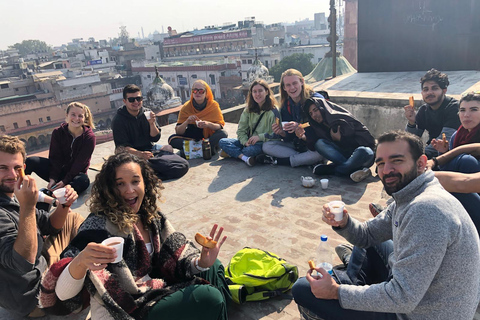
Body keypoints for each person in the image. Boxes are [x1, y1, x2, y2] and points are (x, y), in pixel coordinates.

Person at [291, 131, 480, 320]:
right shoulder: (411, 192)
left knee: (302, 289)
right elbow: (367, 234)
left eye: (396, 160)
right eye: (380, 163)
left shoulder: (426, 209)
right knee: (370, 244)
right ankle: (355, 282)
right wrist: (344, 223)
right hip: (420, 293)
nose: (386, 170)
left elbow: (402, 297)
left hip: (418, 313)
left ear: (421, 163)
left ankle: (351, 285)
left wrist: (336, 292)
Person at [38, 152, 231, 319]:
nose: (129, 190)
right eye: (120, 184)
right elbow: (63, 295)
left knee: (213, 267)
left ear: (145, 183)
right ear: (109, 189)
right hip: (126, 309)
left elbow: (175, 257)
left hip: (156, 288)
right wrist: (80, 262)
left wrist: (201, 262)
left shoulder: (153, 217)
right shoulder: (97, 226)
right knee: (209, 297)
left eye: (135, 181)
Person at [0, 135, 82, 318]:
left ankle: (72, 262)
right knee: (88, 276)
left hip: (40, 265)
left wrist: (64, 204)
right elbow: (22, 263)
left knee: (73, 218)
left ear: (24, 169)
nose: (12, 175)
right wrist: (28, 206)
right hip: (32, 297)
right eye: (3, 168)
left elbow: (51, 226)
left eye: (17, 168)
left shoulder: (12, 197)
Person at [112, 84, 189, 180]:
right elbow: (121, 148)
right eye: (131, 100)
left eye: (138, 98)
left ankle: (148, 174)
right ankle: (148, 173)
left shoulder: (146, 112)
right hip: (132, 155)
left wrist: (152, 124)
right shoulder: (119, 120)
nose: (136, 102)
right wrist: (140, 154)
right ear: (125, 101)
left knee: (172, 152)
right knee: (178, 167)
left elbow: (155, 138)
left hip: (150, 150)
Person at [25, 101, 95, 196]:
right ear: (67, 115)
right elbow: (55, 157)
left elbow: (80, 163)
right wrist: (52, 178)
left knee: (83, 181)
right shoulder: (58, 132)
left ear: (84, 118)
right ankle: (18, 190)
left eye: (80, 116)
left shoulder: (89, 137)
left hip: (75, 175)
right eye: (73, 114)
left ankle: (55, 192)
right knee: (30, 161)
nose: (76, 119)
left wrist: (65, 181)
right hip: (58, 172)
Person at [300, 97, 376, 182]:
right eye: (311, 113)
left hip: (362, 156)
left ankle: (333, 170)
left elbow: (368, 141)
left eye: (315, 110)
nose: (314, 115)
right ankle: (352, 169)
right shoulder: (319, 126)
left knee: (363, 151)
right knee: (319, 143)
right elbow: (314, 146)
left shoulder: (341, 117)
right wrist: (304, 137)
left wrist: (341, 139)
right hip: (344, 156)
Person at [260, 69, 324, 167]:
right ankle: (304, 159)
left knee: (321, 153)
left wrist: (300, 126)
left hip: (315, 143)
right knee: (267, 146)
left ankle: (287, 161)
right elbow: (289, 137)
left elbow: (322, 125)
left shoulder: (315, 99)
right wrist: (282, 132)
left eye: (295, 83)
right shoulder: (287, 105)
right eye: (288, 85)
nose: (292, 88)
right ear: (284, 88)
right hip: (298, 144)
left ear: (302, 82)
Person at [218, 79, 280, 166]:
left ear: (266, 92)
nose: (257, 94)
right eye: (254, 91)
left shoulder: (273, 111)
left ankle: (233, 153)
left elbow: (276, 135)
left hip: (262, 143)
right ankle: (245, 158)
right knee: (222, 141)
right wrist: (245, 142)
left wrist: (259, 137)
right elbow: (241, 130)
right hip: (248, 141)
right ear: (251, 94)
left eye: (260, 91)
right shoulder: (248, 110)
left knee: (250, 150)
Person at [404, 68, 460, 159]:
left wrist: (421, 157)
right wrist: (411, 122)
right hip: (430, 152)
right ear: (422, 93)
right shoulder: (424, 110)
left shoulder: (453, 108)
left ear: (444, 90)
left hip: (449, 153)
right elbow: (411, 140)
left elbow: (445, 139)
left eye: (434, 88)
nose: (429, 92)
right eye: (426, 89)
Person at [168, 80, 227, 155]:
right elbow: (179, 132)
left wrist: (208, 124)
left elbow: (219, 126)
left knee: (223, 134)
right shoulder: (186, 107)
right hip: (192, 139)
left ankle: (192, 150)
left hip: (208, 138)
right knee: (172, 139)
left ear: (206, 93)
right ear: (192, 92)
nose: (198, 93)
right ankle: (205, 149)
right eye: (195, 90)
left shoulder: (213, 105)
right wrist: (186, 122)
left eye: (201, 91)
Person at [427, 91, 480, 173]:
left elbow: (474, 148)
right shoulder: (457, 136)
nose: (466, 115)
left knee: (467, 161)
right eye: (462, 110)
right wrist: (444, 151)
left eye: (473, 110)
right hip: (458, 182)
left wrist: (436, 161)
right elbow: (445, 169)